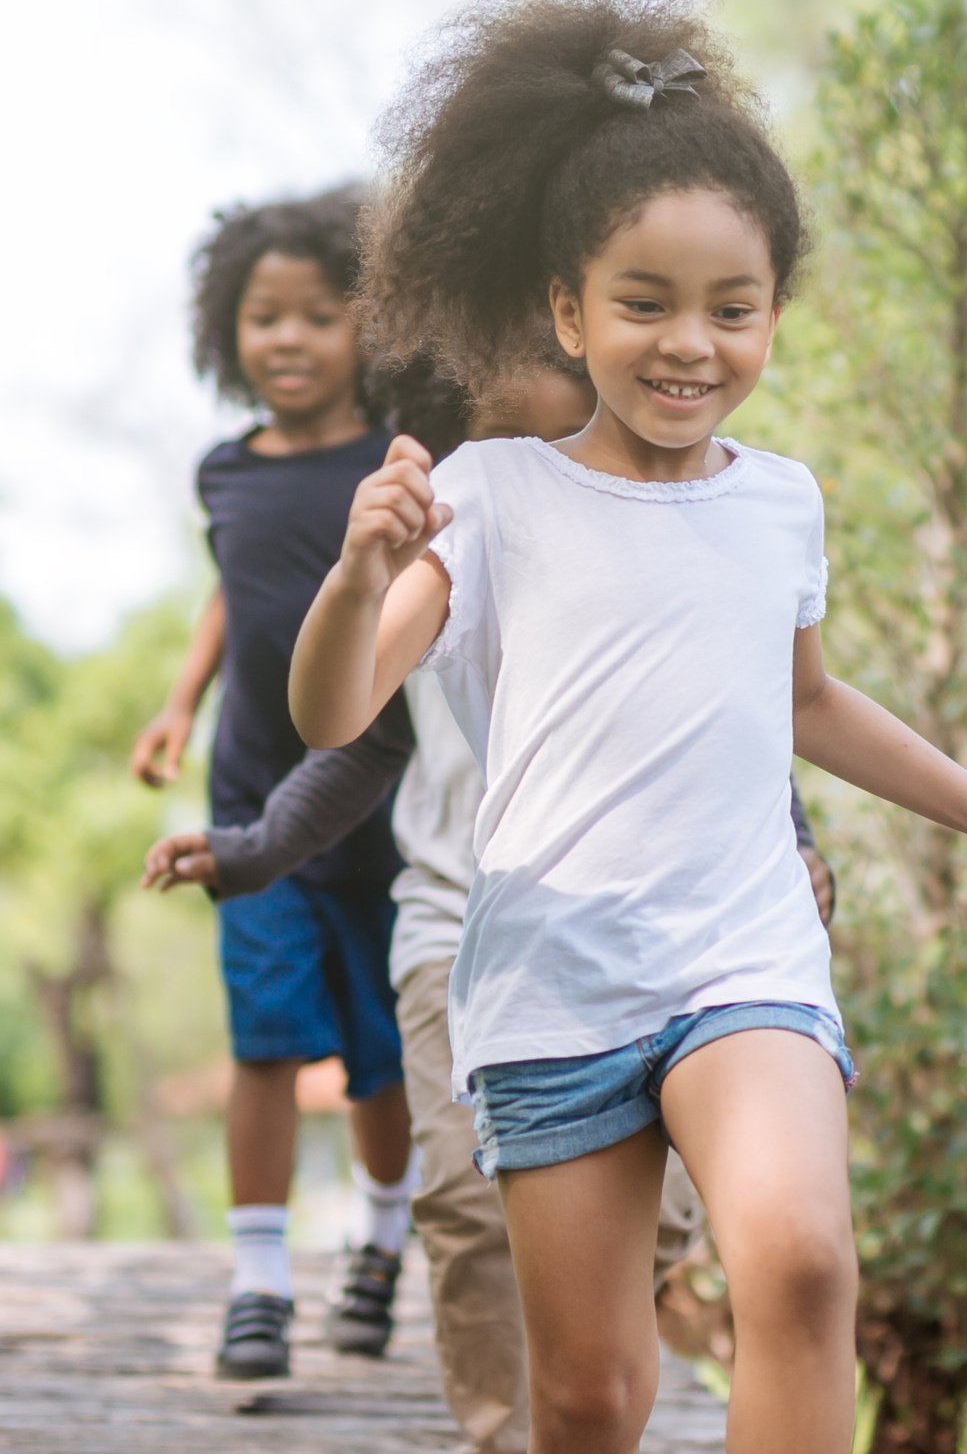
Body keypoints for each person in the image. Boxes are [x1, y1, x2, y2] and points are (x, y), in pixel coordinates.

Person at [286, 0, 967, 1454]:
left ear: (772, 315)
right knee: (595, 1396)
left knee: (797, 1260)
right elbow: (332, 709)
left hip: (743, 954)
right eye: (643, 304)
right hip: (550, 979)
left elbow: (808, 701)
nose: (689, 343)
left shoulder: (781, 503)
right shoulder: (489, 495)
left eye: (731, 308)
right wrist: (359, 577)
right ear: (566, 309)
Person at [145, 354, 837, 1454]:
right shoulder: (458, 539)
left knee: (651, 1247)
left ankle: (582, 1398)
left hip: (669, 953)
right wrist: (249, 851)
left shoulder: (692, 524)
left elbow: (736, 724)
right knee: (470, 1214)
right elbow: (349, 742)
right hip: (464, 932)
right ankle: (502, 1432)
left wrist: (797, 846)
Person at [130, 188, 415, 1381]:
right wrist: (179, 701)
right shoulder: (224, 471)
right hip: (249, 796)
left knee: (379, 1052)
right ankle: (257, 1282)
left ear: (371, 326)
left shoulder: (395, 460)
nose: (287, 338)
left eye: (317, 313)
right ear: (226, 331)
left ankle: (380, 1243)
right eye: (263, 317)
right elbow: (229, 589)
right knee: (264, 1040)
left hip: (376, 808)